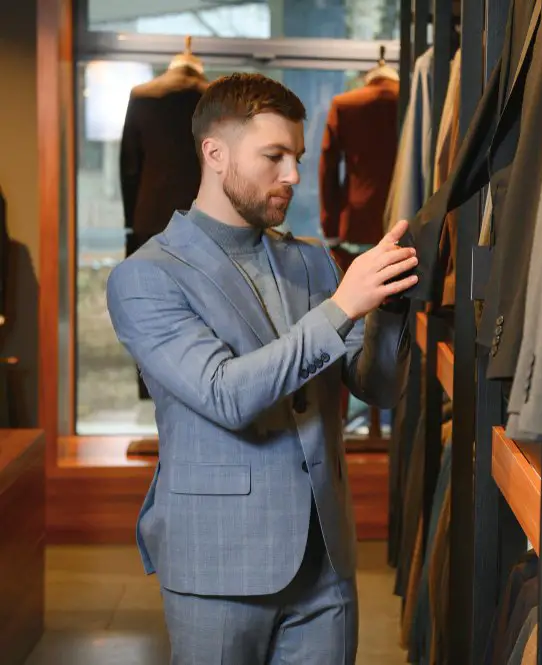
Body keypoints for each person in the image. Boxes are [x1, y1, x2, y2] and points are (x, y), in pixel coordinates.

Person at [106, 72, 418, 664]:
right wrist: (344, 306)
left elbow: (375, 388)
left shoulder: (311, 262)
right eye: (273, 156)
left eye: (297, 157)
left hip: (326, 561)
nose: (294, 176)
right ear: (214, 154)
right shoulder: (146, 277)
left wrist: (391, 305)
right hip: (218, 563)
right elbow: (225, 394)